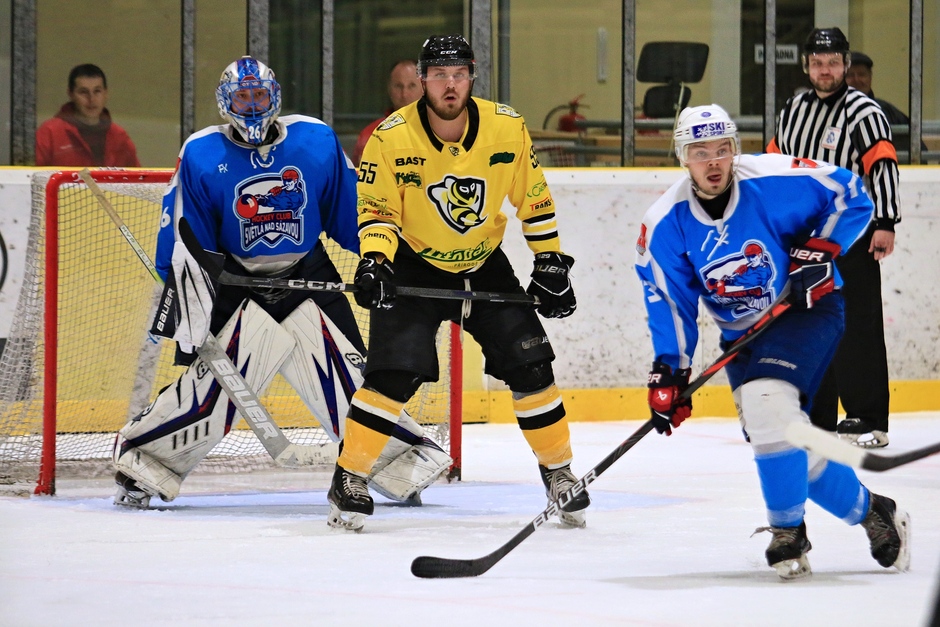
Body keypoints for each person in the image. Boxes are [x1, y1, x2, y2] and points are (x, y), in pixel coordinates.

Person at [111, 56, 450, 509]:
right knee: (216, 388)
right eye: (243, 97)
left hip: (306, 273)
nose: (252, 106)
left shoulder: (315, 139)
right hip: (236, 282)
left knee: (351, 381)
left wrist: (385, 260)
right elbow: (187, 233)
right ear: (225, 102)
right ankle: (142, 463)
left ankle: (399, 464)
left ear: (275, 97)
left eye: (260, 95)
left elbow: (351, 210)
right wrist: (189, 301)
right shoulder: (201, 151)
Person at [635, 103, 910, 580]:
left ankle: (787, 532)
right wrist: (670, 371)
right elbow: (670, 300)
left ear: (735, 150)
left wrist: (821, 249)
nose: (713, 162)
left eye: (722, 149)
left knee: (766, 403)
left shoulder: (774, 178)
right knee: (778, 436)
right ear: (682, 157)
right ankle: (874, 512)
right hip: (743, 338)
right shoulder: (665, 223)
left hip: (804, 309)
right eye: (700, 152)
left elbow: (851, 193)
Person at [327, 34, 589, 532]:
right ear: (423, 79)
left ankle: (559, 472)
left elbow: (534, 199)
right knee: (393, 375)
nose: (450, 85)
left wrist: (550, 261)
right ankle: (349, 477)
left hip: (485, 263)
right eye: (439, 75)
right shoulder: (389, 138)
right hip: (413, 263)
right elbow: (378, 211)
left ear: (471, 77)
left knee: (531, 364)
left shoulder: (507, 127)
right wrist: (376, 262)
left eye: (459, 74)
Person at [767, 28, 900, 449]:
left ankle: (868, 418)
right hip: (805, 237)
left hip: (852, 233)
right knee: (811, 325)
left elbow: (882, 164)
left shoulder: (863, 111)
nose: (825, 70)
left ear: (845, 65)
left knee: (857, 323)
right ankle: (818, 417)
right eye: (818, 63)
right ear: (807, 66)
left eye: (833, 63)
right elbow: (775, 164)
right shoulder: (794, 108)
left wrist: (886, 222)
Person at [35, 63, 140, 167]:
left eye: (97, 91)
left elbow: (138, 176)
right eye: (83, 92)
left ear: (106, 93)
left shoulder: (119, 137)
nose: (91, 99)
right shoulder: (50, 133)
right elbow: (32, 174)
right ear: (71, 94)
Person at [845, 50, 928, 159]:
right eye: (850, 75)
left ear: (870, 77)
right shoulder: (829, 112)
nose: (856, 80)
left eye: (862, 74)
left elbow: (918, 152)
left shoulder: (887, 112)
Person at [351, 59, 423, 166]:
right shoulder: (371, 135)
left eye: (412, 86)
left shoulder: (441, 132)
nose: (404, 94)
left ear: (424, 88)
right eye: (398, 86)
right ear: (389, 89)